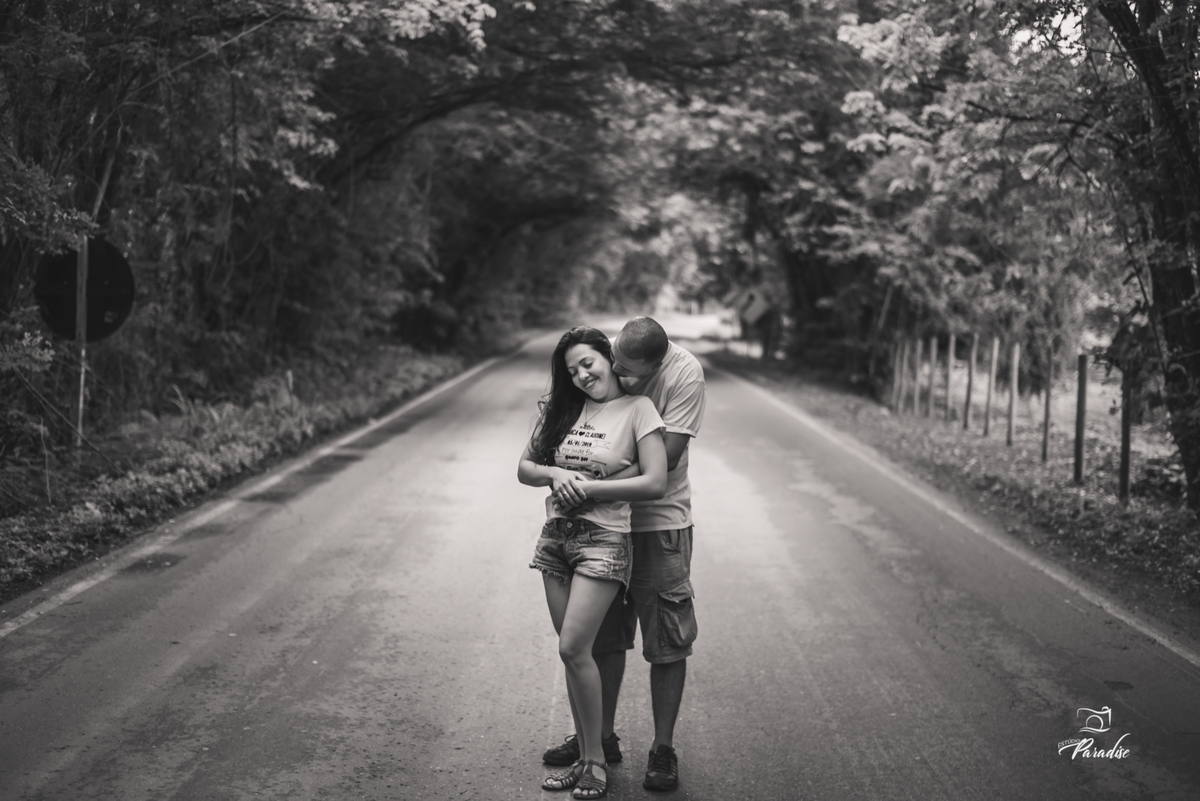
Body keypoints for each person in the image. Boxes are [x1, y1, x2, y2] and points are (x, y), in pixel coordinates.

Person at [542, 316, 705, 793]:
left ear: (657, 362)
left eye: (631, 372)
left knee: (666, 639)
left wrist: (588, 485)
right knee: (602, 640)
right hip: (605, 527)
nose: (620, 375)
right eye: (617, 362)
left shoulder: (684, 375)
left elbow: (665, 460)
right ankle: (599, 738)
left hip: (658, 522)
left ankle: (662, 747)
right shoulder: (614, 360)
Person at [519, 326, 669, 800]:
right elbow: (525, 468)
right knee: (573, 654)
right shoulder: (564, 409)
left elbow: (654, 482)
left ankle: (596, 764)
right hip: (556, 539)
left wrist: (588, 488)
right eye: (572, 371)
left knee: (572, 647)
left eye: (588, 363)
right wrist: (557, 472)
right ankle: (586, 757)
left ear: (608, 357)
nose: (582, 375)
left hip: (604, 540)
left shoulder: (638, 410)